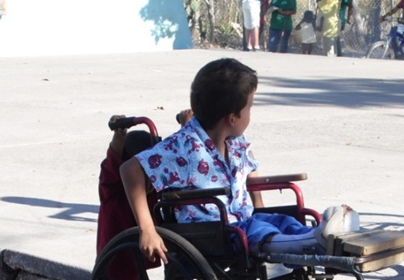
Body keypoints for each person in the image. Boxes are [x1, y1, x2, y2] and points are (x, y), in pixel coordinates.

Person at [120, 58, 353, 266]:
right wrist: (147, 229)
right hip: (211, 233)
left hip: (243, 221)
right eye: (249, 107)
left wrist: (261, 210)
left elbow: (251, 176)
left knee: (279, 220)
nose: (251, 112)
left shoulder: (237, 142)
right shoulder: (184, 146)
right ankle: (313, 242)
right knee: (256, 229)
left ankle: (325, 239)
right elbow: (130, 170)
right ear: (232, 118)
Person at [77, 112, 191, 280]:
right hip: (114, 265)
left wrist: (187, 127)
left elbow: (175, 157)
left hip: (136, 264)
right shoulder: (113, 185)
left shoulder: (152, 188)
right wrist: (119, 135)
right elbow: (113, 163)